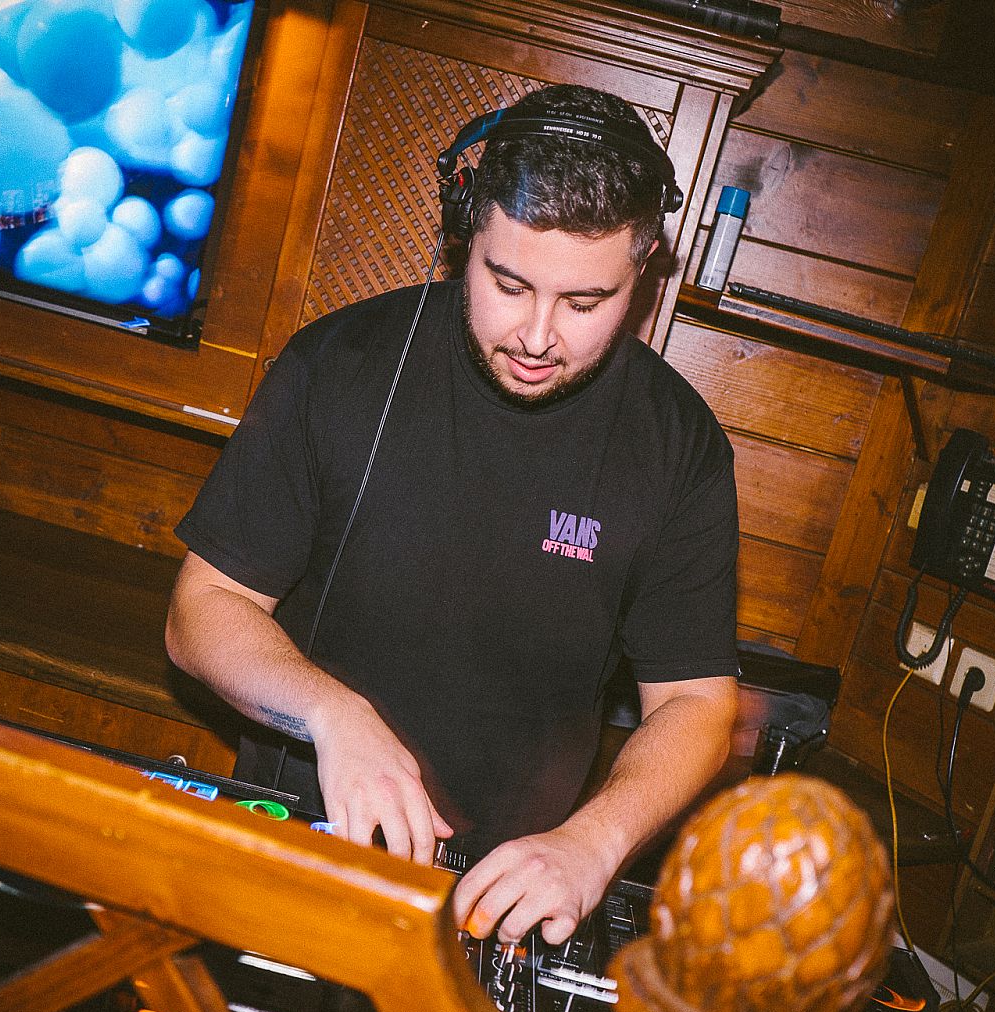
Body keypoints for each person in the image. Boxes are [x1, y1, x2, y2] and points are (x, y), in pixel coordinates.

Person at [165, 83, 739, 945]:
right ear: (466, 233)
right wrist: (331, 713)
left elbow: (694, 703)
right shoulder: (339, 365)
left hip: (509, 894)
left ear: (646, 266)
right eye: (509, 284)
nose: (538, 335)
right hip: (301, 841)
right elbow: (201, 610)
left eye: (585, 304)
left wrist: (594, 842)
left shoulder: (679, 447)